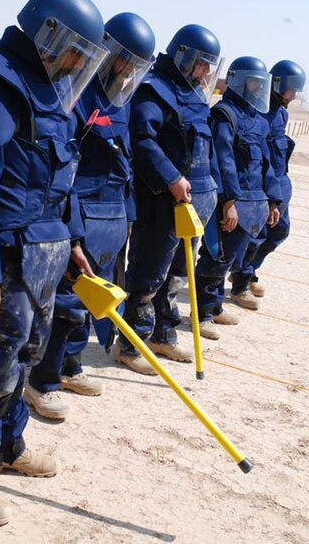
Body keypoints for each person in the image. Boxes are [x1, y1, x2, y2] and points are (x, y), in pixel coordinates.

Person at [0, 0, 108, 526]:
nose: (80, 62)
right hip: (4, 258)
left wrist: (75, 241)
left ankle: (9, 448)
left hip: (46, 253)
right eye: (76, 48)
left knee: (26, 357)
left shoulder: (53, 89)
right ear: (48, 33)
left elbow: (63, 181)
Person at [24, 12, 156, 414]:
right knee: (66, 302)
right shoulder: (75, 93)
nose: (128, 69)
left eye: (136, 63)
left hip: (112, 214)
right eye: (124, 59)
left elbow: (127, 159)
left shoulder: (125, 99)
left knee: (91, 301)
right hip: (79, 209)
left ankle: (70, 364)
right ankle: (40, 380)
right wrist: (72, 227)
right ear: (109, 51)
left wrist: (128, 217)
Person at [112, 24, 224, 374]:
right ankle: (130, 344)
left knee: (177, 274)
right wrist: (171, 178)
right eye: (201, 63)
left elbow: (207, 151)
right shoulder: (154, 91)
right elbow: (143, 140)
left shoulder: (196, 95)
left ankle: (163, 334)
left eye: (210, 65)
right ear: (183, 56)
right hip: (161, 204)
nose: (205, 72)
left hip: (194, 206)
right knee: (149, 274)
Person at [194, 56, 283, 340]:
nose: (258, 87)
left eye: (261, 83)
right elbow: (222, 159)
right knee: (216, 257)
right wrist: (228, 201)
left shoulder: (258, 119)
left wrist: (273, 200)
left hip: (254, 202)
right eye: (254, 82)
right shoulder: (225, 114)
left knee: (232, 257)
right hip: (231, 202)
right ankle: (204, 313)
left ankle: (216, 305)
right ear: (240, 81)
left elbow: (266, 162)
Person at [230, 60, 306, 299]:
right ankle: (241, 283)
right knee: (255, 236)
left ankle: (249, 269)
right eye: (290, 89)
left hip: (280, 182)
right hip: (262, 184)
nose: (292, 96)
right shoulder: (259, 112)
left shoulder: (281, 114)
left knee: (279, 232)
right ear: (277, 85)